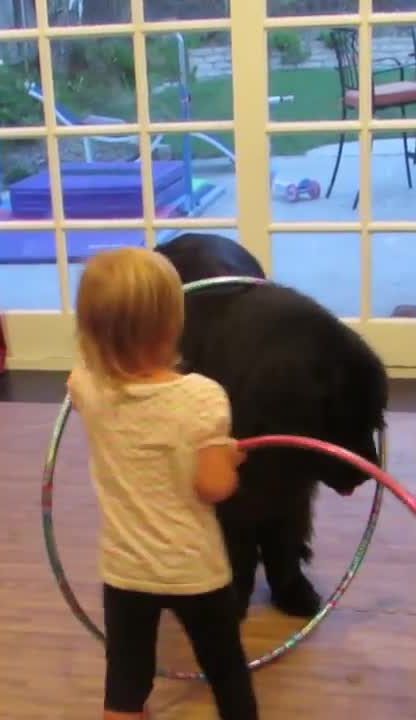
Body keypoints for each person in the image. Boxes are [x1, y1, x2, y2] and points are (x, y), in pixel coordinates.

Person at [66, 247, 260, 720]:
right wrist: (227, 458)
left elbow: (88, 386)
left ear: (89, 329)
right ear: (174, 324)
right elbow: (214, 486)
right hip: (193, 570)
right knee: (226, 669)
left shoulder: (86, 389)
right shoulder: (201, 398)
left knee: (126, 681)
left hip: (125, 571)